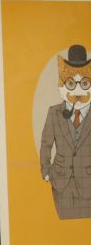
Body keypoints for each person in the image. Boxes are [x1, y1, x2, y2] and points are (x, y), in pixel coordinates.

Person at [40, 44, 91, 219]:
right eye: (71, 83)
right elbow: (46, 144)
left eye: (84, 83)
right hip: (60, 183)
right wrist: (46, 170)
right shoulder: (54, 113)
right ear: (62, 83)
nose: (77, 90)